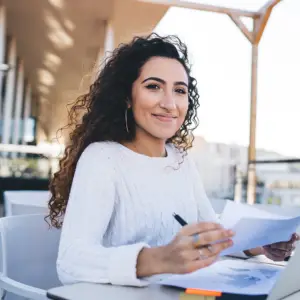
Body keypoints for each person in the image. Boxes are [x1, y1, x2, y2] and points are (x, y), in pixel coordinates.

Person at [47, 34, 298, 287]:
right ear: (126, 96)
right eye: (153, 86)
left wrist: (260, 243)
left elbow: (209, 235)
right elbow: (71, 261)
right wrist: (159, 258)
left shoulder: (181, 159)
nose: (169, 104)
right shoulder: (102, 158)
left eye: (179, 90)